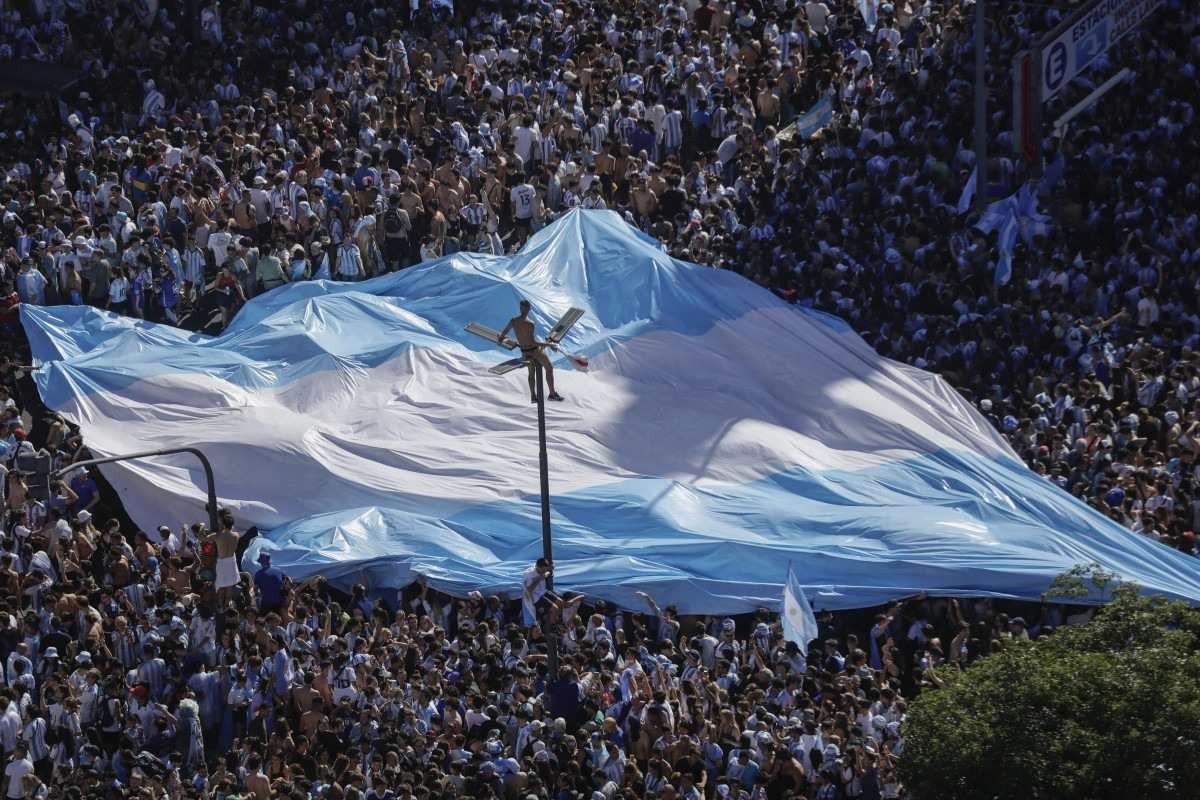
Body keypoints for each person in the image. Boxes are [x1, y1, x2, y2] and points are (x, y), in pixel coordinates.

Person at [499, 299, 565, 403]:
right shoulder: (530, 323)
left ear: (520, 309)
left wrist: (503, 338)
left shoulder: (513, 321)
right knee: (549, 368)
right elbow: (532, 342)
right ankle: (552, 394)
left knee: (531, 373)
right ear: (529, 309)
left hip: (524, 352)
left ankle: (533, 396)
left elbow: (504, 332)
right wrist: (549, 344)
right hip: (534, 351)